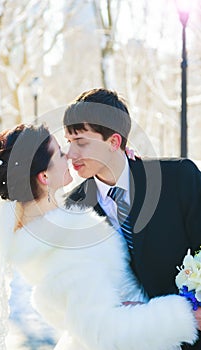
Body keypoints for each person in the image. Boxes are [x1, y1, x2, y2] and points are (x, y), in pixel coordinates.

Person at [0, 123, 198, 350]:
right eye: (59, 152)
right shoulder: (66, 247)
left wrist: (116, 158)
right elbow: (103, 334)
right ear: (44, 176)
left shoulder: (49, 231)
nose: (68, 155)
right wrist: (183, 315)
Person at [63, 88, 201, 350]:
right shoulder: (74, 208)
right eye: (68, 142)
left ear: (114, 142)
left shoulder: (179, 178)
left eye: (80, 142)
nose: (71, 154)